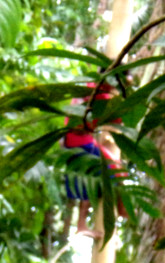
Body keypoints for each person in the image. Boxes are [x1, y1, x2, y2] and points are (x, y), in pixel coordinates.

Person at [61, 80, 128, 239]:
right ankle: (82, 225)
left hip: (78, 140)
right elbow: (114, 120)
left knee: (115, 170)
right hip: (79, 142)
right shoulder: (100, 94)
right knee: (91, 179)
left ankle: (122, 212)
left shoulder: (89, 87)